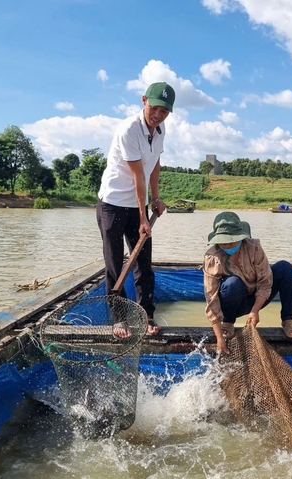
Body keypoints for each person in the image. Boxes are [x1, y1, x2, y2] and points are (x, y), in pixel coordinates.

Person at [96, 81, 175, 337]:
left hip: (136, 205)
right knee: (115, 264)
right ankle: (119, 320)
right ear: (144, 101)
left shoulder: (160, 130)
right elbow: (138, 175)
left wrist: (157, 198)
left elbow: (155, 165)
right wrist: (143, 215)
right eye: (154, 108)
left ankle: (146, 315)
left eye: (164, 112)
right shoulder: (129, 129)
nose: (158, 115)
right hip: (113, 204)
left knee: (143, 263)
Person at [203, 211, 292, 354]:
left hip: (256, 297)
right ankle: (229, 322)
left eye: (231, 241)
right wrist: (219, 337)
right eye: (223, 242)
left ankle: (287, 320)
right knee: (232, 283)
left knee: (284, 267)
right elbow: (211, 297)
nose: (227, 245)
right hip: (231, 303)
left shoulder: (254, 247)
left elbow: (265, 281)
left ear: (241, 237)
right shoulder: (212, 257)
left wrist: (255, 310)